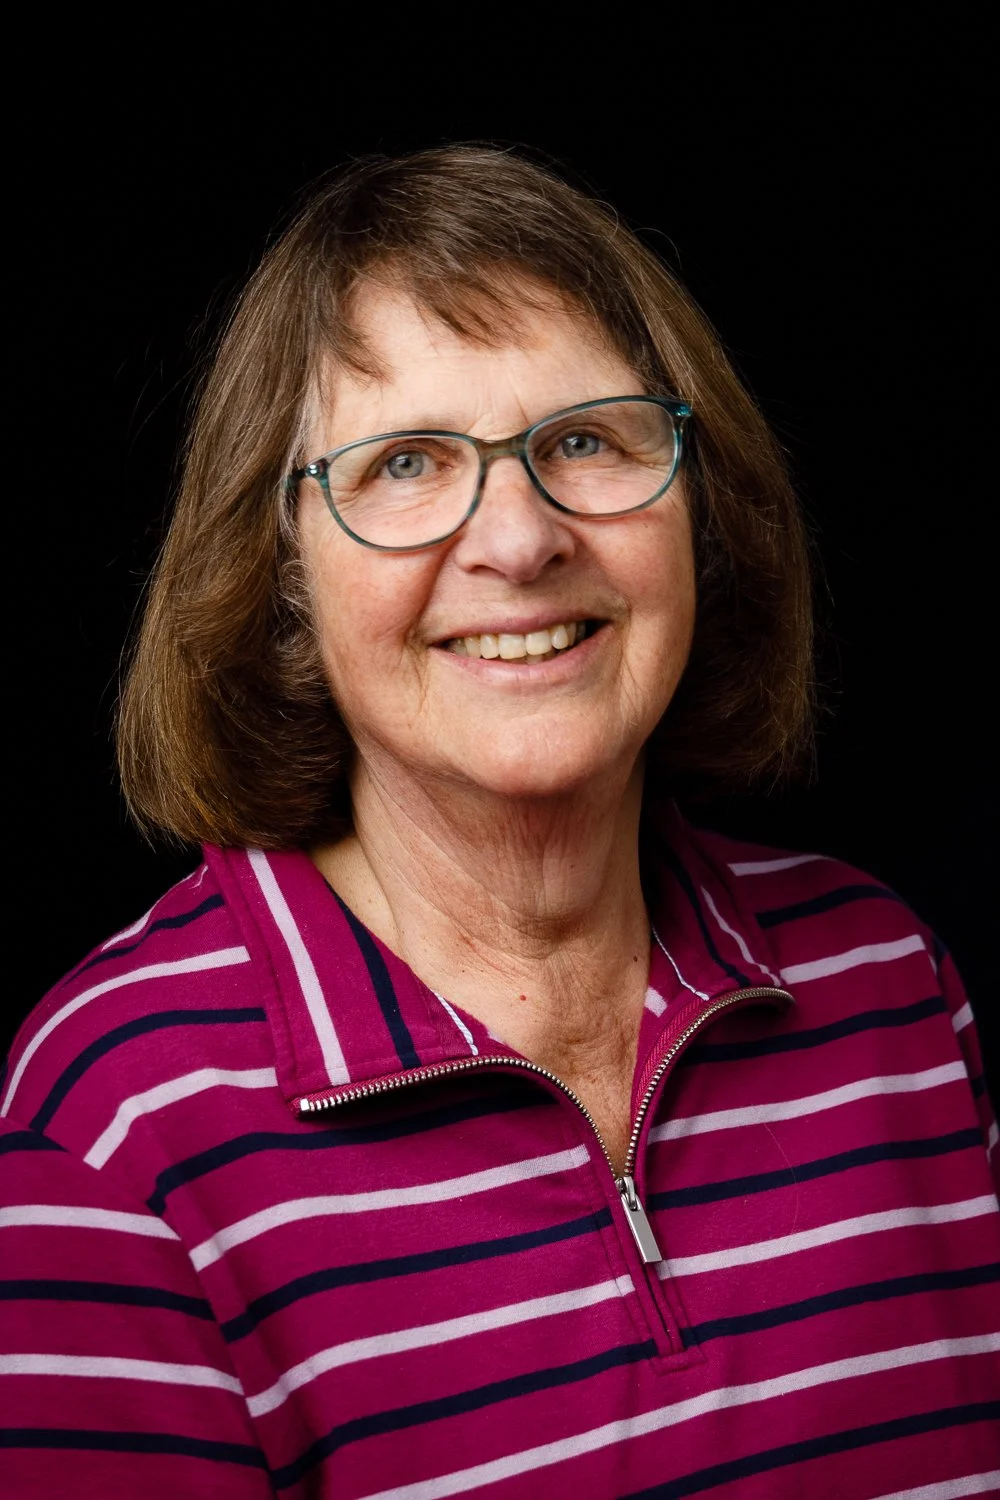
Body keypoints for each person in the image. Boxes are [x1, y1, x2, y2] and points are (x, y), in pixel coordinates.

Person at [1, 146, 997, 1499]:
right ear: (279, 571)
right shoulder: (117, 1121)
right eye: (407, 462)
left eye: (585, 439)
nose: (518, 540)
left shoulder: (890, 986)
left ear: (695, 508)